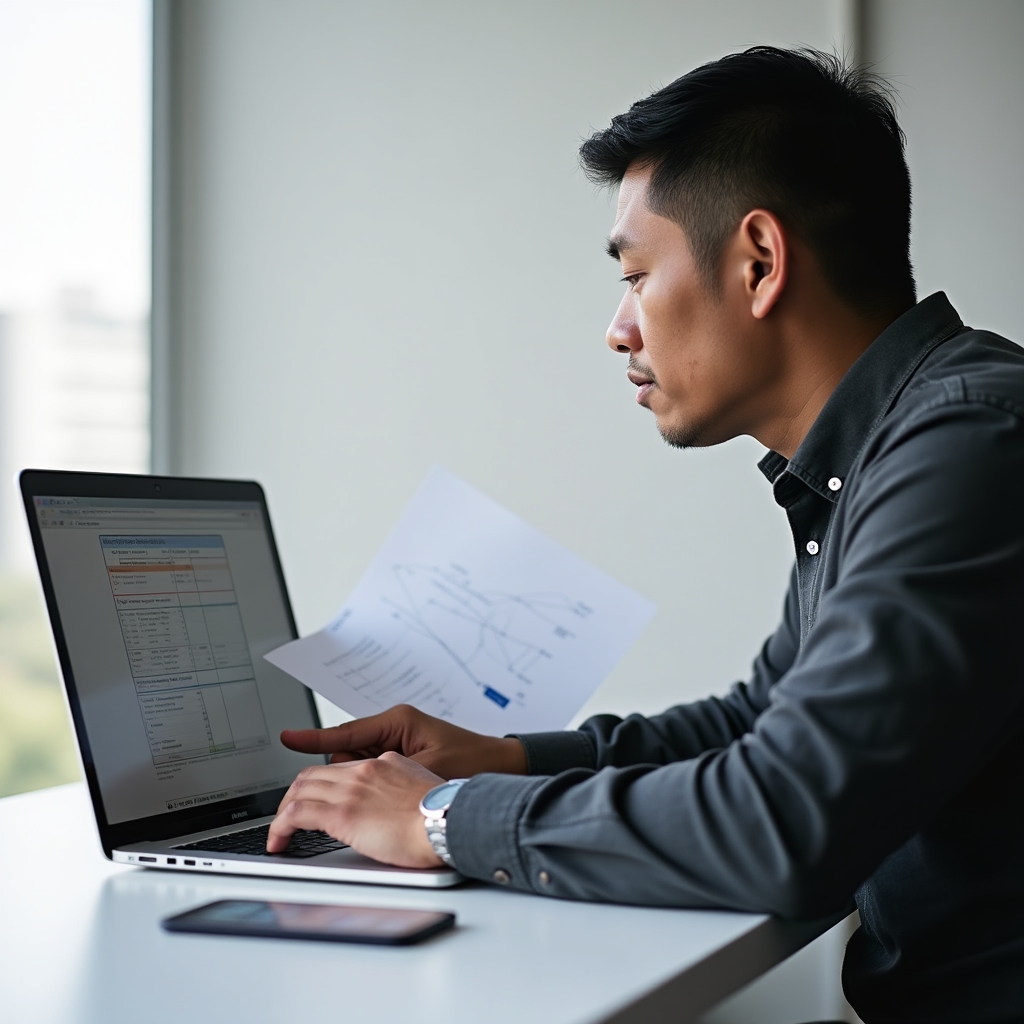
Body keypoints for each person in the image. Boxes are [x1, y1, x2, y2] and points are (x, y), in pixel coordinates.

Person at [267, 47, 1024, 1023]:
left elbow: (784, 817)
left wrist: (438, 819)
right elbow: (758, 723)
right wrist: (504, 759)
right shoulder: (891, 451)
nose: (618, 328)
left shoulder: (972, 448)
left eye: (634, 274)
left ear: (758, 261)